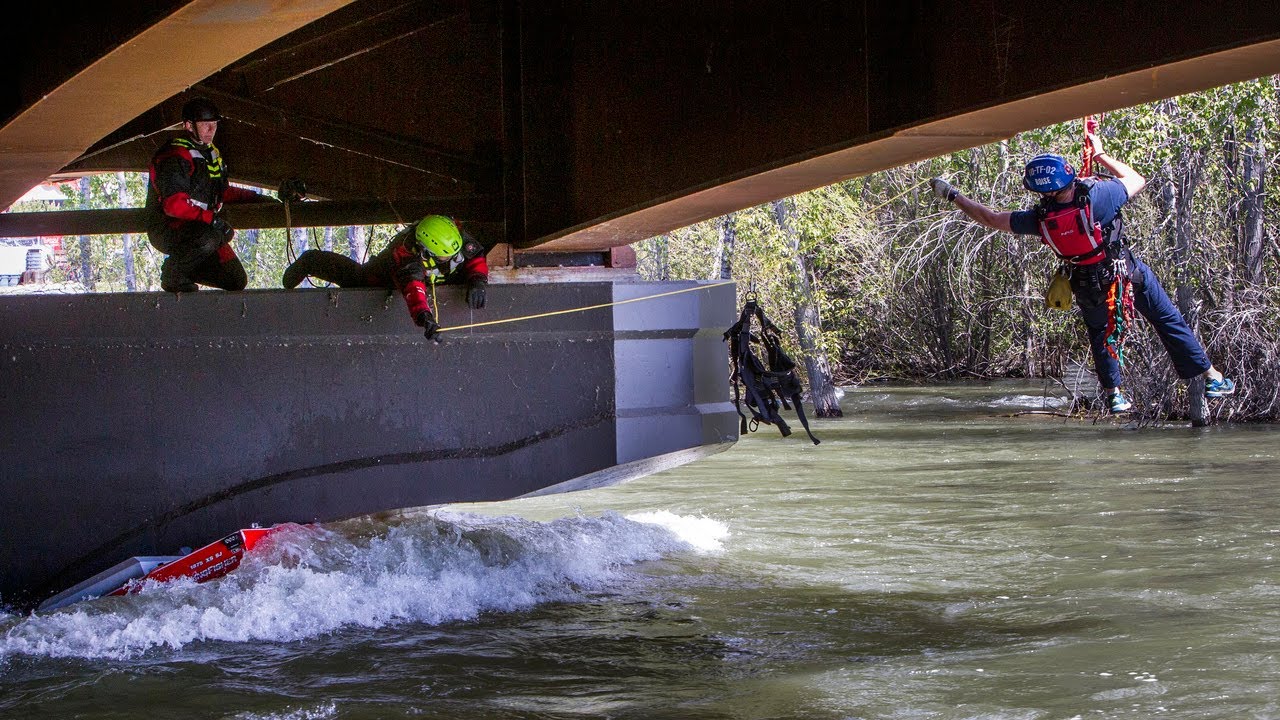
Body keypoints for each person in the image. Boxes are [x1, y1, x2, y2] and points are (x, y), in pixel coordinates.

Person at [928, 132, 1235, 413]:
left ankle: (1114, 393)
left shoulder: (1039, 218)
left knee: (1100, 334)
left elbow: (990, 218)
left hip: (1087, 284)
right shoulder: (1100, 198)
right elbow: (1136, 179)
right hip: (1125, 275)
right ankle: (1210, 376)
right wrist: (1101, 155)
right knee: (1167, 319)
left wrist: (954, 195)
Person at [281, 214, 488, 338]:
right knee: (357, 280)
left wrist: (478, 280)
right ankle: (311, 261)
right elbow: (414, 290)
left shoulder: (452, 233)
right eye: (446, 257)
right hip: (384, 273)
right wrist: (425, 319)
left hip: (429, 272)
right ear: (425, 251)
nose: (454, 258)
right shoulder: (405, 258)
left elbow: (475, 254)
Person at [145, 97, 276, 293]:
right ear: (189, 125)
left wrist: (257, 198)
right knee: (211, 236)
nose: (211, 130)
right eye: (205, 125)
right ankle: (173, 276)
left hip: (201, 232)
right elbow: (174, 206)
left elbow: (221, 192)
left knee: (236, 280)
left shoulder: (211, 153)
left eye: (214, 124)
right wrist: (212, 221)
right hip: (170, 230)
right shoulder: (175, 155)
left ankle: (184, 268)